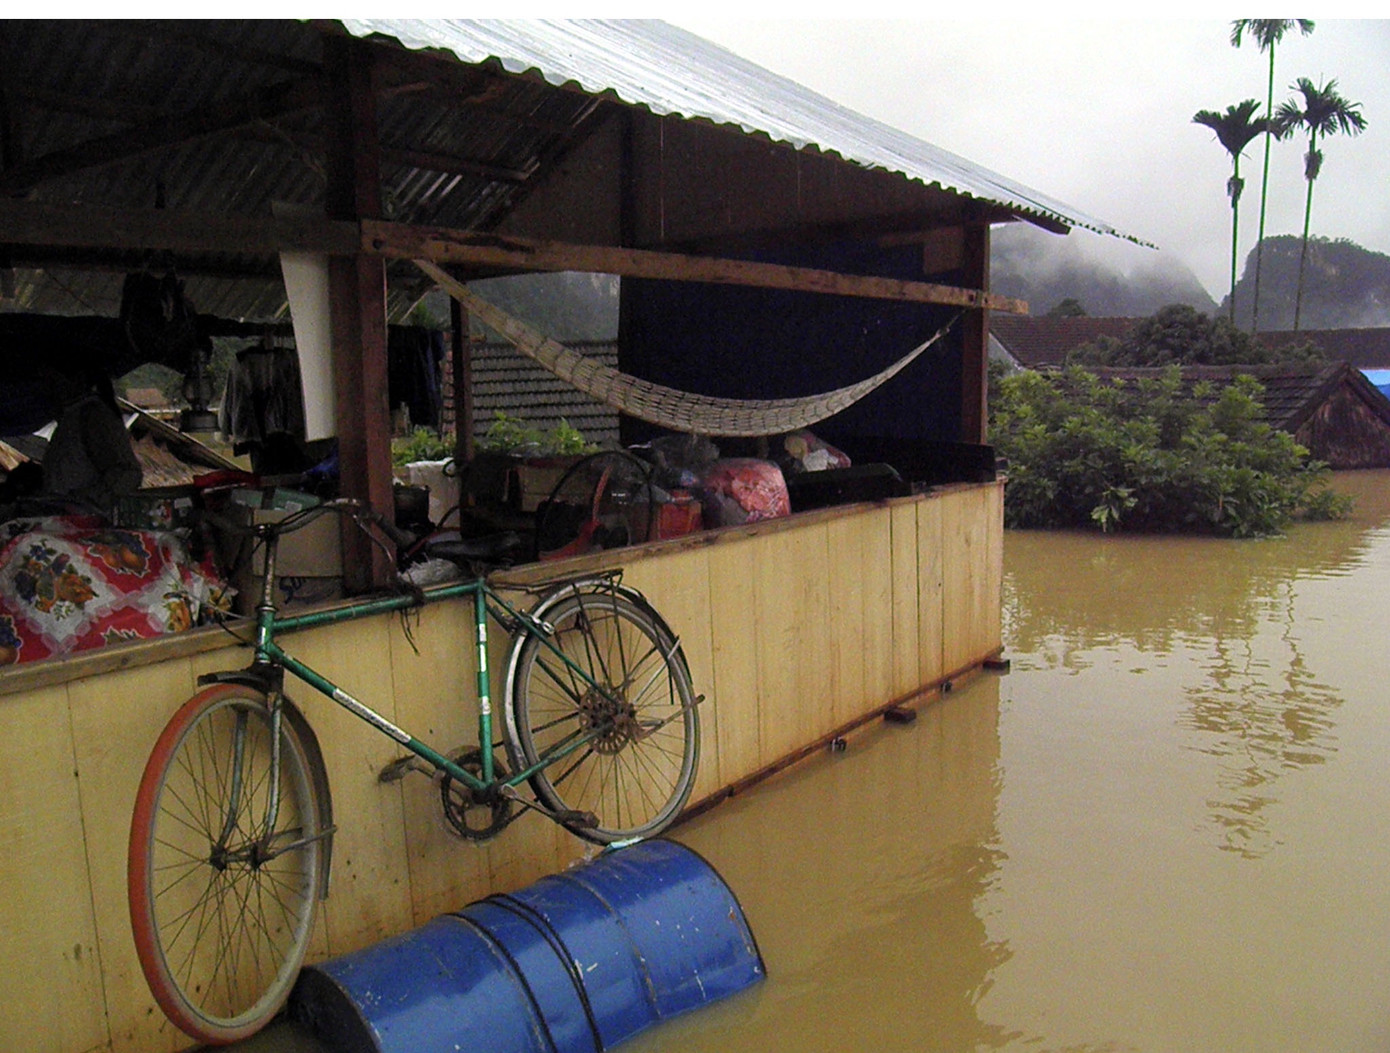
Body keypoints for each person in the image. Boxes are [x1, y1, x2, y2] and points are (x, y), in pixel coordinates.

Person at [38, 363, 143, 519]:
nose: (50, 387)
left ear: (77, 380)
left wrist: (82, 502)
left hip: (85, 524)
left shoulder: (92, 415)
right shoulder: (71, 416)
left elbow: (126, 473)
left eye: (54, 380)